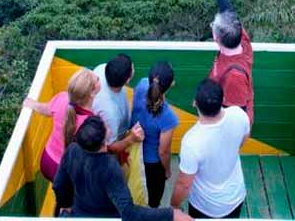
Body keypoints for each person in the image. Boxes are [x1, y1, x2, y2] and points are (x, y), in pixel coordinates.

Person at [53, 115, 192, 221]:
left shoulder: (72, 149)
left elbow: (58, 184)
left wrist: (65, 204)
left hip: (79, 214)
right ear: (103, 141)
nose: (107, 125)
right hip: (107, 217)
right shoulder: (109, 167)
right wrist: (170, 214)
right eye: (105, 126)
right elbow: (128, 212)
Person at [170, 79, 250, 219]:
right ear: (223, 99)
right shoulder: (239, 115)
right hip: (236, 198)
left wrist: (174, 207)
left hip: (205, 207)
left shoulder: (191, 142)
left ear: (195, 103)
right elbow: (242, 140)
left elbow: (184, 184)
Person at [196, 0, 254, 124]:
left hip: (227, 126)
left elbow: (236, 117)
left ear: (216, 39)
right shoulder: (241, 39)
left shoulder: (235, 77)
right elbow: (228, 9)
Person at [23, 68, 100, 182]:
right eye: (97, 79)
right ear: (92, 93)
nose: (99, 78)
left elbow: (46, 109)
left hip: (47, 161)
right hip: (67, 171)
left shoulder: (62, 98)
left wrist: (33, 104)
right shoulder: (91, 123)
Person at [130, 61, 179, 207]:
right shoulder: (168, 117)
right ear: (171, 84)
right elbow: (163, 152)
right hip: (152, 164)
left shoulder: (141, 84)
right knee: (152, 201)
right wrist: (167, 170)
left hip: (133, 151)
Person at [93, 53, 145, 155]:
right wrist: (131, 139)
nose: (133, 67)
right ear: (127, 80)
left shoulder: (101, 69)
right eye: (132, 68)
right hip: (116, 138)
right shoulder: (110, 113)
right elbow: (110, 147)